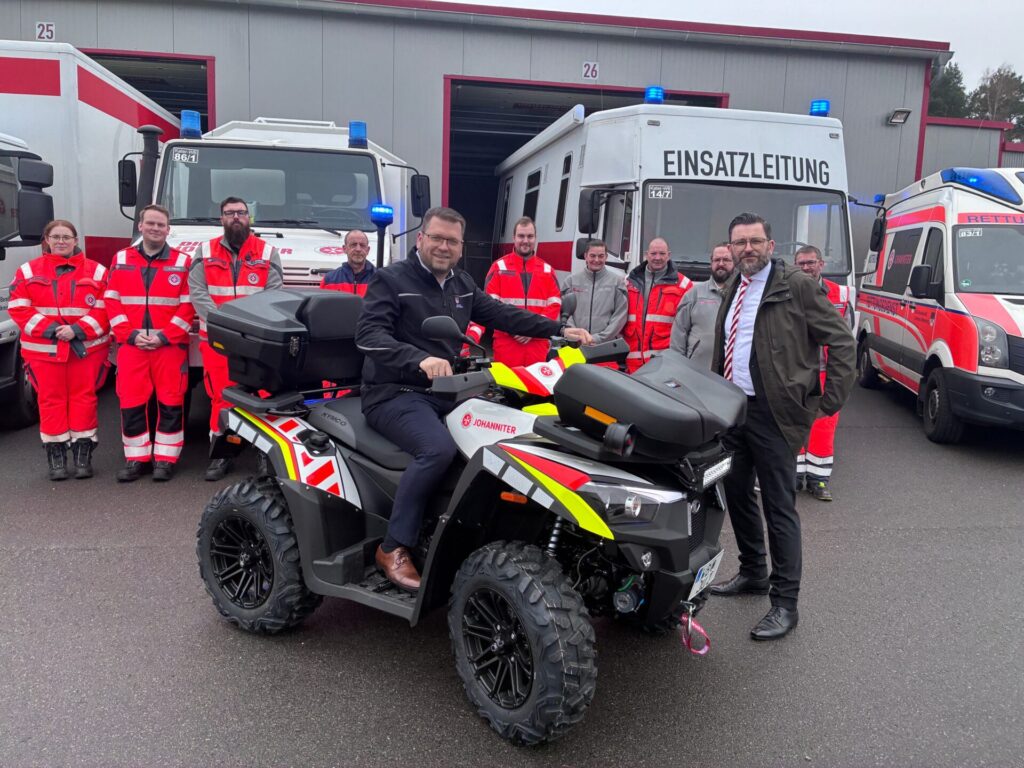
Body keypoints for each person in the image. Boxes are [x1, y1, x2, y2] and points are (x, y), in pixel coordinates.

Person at [356, 207, 592, 591]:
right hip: (394, 392)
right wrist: (419, 359)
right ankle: (394, 546)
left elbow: (504, 314)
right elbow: (368, 336)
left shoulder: (460, 283)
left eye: (452, 240)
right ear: (421, 239)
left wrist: (560, 330)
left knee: (508, 434)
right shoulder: (390, 280)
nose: (443, 246)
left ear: (462, 246)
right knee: (437, 450)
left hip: (450, 389)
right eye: (436, 238)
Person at [709, 213, 855, 640]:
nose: (747, 249)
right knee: (736, 494)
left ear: (771, 245)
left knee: (779, 508)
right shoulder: (735, 284)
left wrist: (825, 404)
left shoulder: (798, 286)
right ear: (731, 248)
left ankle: (785, 604)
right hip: (735, 411)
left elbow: (842, 341)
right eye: (740, 243)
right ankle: (753, 571)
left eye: (755, 241)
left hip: (774, 414)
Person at [189, 197, 283, 481]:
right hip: (217, 340)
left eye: (241, 213)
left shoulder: (268, 252)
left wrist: (249, 327)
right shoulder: (203, 251)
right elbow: (197, 292)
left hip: (256, 341)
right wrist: (224, 324)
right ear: (221, 218)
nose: (236, 217)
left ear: (249, 218)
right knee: (221, 398)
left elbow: (274, 294)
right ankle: (221, 455)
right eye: (230, 213)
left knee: (265, 396)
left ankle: (266, 456)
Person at [8, 220, 110, 480]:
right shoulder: (28, 271)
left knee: (84, 399)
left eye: (66, 237)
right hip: (44, 352)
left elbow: (106, 307)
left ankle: (83, 455)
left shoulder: (98, 272)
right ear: (47, 240)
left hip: (84, 350)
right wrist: (53, 329)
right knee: (50, 401)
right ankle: (56, 458)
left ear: (76, 240)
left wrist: (78, 330)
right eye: (56, 237)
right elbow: (19, 308)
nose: (61, 241)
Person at [105, 205, 195, 482]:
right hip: (133, 347)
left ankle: (165, 460)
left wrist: (164, 336)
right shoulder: (120, 258)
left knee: (171, 402)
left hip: (168, 347)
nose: (156, 228)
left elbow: (188, 305)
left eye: (161, 225)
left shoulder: (183, 262)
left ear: (168, 230)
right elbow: (111, 300)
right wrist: (129, 334)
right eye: (151, 223)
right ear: (140, 226)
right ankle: (136, 459)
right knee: (131, 403)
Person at [793, 245, 853, 501]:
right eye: (801, 263)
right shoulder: (788, 290)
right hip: (797, 370)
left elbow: (847, 337)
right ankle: (793, 476)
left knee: (824, 425)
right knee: (794, 423)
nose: (806, 267)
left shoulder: (839, 294)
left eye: (810, 262)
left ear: (821, 264)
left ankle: (818, 480)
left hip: (826, 370)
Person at [466, 217, 561, 367]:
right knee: (506, 389)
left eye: (530, 236)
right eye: (521, 236)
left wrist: (533, 330)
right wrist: (516, 329)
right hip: (507, 344)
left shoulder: (547, 271)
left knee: (536, 388)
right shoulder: (498, 268)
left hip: (537, 344)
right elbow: (489, 306)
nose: (525, 241)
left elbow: (554, 305)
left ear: (535, 238)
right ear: (514, 238)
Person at [622, 237, 694, 372]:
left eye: (662, 253)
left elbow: (688, 328)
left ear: (669, 255)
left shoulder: (684, 285)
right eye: (653, 253)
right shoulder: (628, 282)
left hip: (664, 364)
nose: (657, 257)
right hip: (631, 363)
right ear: (646, 255)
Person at [670, 242, 734, 369]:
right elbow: (678, 333)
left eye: (726, 259)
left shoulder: (742, 295)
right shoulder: (694, 294)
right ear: (711, 263)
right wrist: (678, 366)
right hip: (698, 372)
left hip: (732, 374)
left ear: (735, 262)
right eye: (717, 260)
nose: (721, 264)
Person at [559, 239, 628, 350]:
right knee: (571, 368)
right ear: (586, 256)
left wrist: (598, 338)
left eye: (601, 256)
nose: (596, 260)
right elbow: (564, 313)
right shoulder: (571, 281)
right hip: (573, 345)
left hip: (605, 347)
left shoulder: (617, 282)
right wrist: (577, 336)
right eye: (592, 256)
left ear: (606, 257)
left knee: (602, 369)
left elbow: (620, 317)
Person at [319, 229, 375, 296]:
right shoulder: (329, 280)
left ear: (368, 250)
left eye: (362, 245)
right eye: (353, 245)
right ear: (344, 249)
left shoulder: (379, 280)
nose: (358, 249)